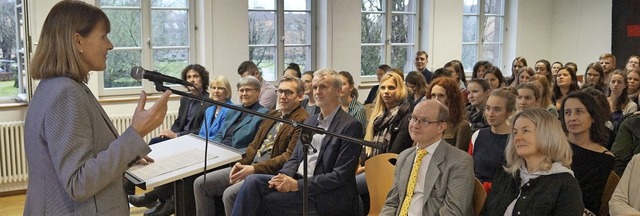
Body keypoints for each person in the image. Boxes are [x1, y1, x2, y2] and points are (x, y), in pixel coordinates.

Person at [23, 1, 171, 214]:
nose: (110, 45)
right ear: (78, 41)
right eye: (103, 36)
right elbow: (78, 182)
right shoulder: (65, 93)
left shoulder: (54, 86)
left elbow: (80, 157)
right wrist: (136, 133)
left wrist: (128, 155)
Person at [231, 69, 364, 216]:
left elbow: (339, 176)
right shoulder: (311, 121)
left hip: (323, 193)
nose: (317, 92)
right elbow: (295, 157)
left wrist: (297, 185)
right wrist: (282, 177)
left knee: (264, 201)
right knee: (252, 182)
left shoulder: (350, 125)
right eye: (314, 87)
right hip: (298, 178)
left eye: (323, 87)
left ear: (338, 91)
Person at [193, 76, 309, 216]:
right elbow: (254, 146)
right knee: (201, 183)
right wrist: (240, 164)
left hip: (269, 173)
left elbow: (288, 157)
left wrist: (253, 169)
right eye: (280, 91)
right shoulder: (274, 114)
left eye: (288, 92)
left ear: (301, 96)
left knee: (230, 194)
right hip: (251, 166)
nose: (282, 96)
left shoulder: (303, 120)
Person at [481, 108, 584, 216]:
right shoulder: (506, 172)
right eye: (515, 132)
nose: (517, 138)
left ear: (547, 135)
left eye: (525, 131)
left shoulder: (565, 184)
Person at [380, 100, 475, 215]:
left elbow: (453, 212)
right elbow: (392, 202)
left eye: (424, 121)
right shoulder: (404, 156)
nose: (415, 125)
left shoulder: (459, 161)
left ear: (441, 127)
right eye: (414, 118)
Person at [561, 91, 614, 214]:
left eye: (579, 112)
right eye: (567, 113)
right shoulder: (555, 146)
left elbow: (589, 201)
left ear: (593, 117)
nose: (572, 118)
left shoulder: (604, 158)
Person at [149, 64, 212, 144]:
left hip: (194, 140)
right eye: (188, 77)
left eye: (195, 76)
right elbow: (178, 122)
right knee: (154, 142)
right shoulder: (184, 99)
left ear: (203, 79)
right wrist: (169, 134)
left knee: (155, 143)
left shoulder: (209, 101)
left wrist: (176, 135)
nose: (192, 80)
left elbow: (201, 130)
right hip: (179, 137)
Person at [469, 87, 516, 191]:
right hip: (474, 192)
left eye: (497, 109)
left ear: (508, 112)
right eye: (488, 108)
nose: (490, 114)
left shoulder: (515, 140)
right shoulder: (478, 135)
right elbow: (468, 167)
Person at [213, 76, 269, 150]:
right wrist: (213, 148)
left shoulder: (263, 114)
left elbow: (256, 144)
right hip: (220, 150)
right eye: (241, 90)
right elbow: (220, 134)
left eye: (248, 90)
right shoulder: (233, 110)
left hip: (239, 154)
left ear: (258, 91)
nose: (244, 93)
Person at [428, 77, 471, 152]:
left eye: (441, 96)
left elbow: (460, 158)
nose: (436, 100)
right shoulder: (425, 122)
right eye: (433, 95)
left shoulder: (461, 126)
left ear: (451, 98)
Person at [198, 76, 234, 140]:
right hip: (204, 144)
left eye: (220, 88)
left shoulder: (231, 110)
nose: (216, 91)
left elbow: (221, 136)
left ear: (226, 90)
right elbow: (202, 132)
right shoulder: (209, 110)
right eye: (214, 88)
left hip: (218, 145)